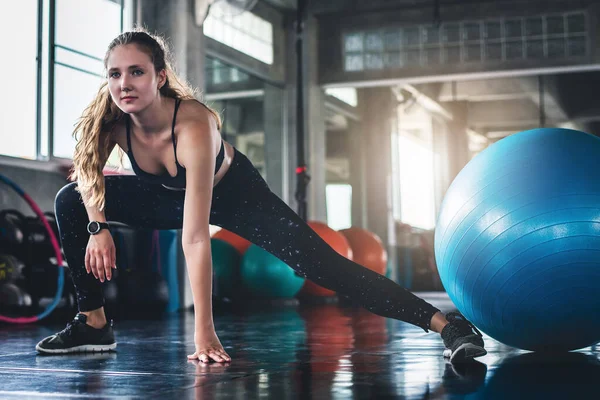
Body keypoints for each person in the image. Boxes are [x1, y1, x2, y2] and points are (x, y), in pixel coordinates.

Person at [35, 29, 486, 364]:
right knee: (69, 199)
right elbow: (88, 173)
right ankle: (92, 322)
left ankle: (448, 326)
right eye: (115, 73)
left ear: (160, 77)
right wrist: (97, 227)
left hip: (236, 195)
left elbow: (196, 237)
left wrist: (204, 333)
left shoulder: (191, 124)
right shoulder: (109, 119)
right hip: (164, 195)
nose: (124, 83)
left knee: (325, 267)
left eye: (137, 72)